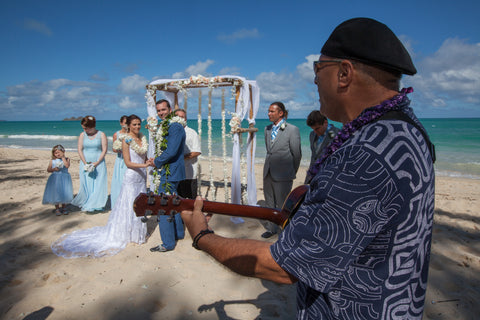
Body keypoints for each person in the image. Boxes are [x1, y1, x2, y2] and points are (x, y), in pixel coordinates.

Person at [180, 17, 435, 319]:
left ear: (344, 73)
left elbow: (281, 266)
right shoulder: (406, 129)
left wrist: (202, 236)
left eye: (318, 69)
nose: (314, 80)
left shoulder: (364, 154)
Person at [52, 114, 155, 258]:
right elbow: (128, 163)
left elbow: (143, 155)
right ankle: (126, 232)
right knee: (130, 203)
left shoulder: (142, 138)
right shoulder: (125, 140)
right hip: (132, 176)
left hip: (142, 177)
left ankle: (137, 232)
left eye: (139, 124)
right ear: (128, 126)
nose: (137, 127)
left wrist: (149, 161)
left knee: (140, 203)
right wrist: (145, 165)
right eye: (134, 124)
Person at [149, 99, 186, 253]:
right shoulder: (166, 125)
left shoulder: (175, 126)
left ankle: (168, 243)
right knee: (173, 201)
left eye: (164, 110)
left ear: (170, 109)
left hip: (170, 172)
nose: (161, 113)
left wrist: (156, 162)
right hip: (169, 171)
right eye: (158, 111)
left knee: (163, 205)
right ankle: (178, 233)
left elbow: (171, 151)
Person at [261, 101, 301, 238]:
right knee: (269, 202)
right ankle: (271, 229)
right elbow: (269, 150)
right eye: (268, 111)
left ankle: (285, 231)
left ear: (281, 113)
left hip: (284, 174)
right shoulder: (267, 129)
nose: (269, 114)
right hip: (268, 172)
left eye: (272, 111)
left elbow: (297, 154)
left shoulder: (292, 129)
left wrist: (291, 172)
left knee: (284, 204)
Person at [71, 115, 108, 212]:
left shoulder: (101, 134)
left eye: (85, 128)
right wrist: (85, 163)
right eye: (83, 128)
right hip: (85, 161)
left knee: (98, 182)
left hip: (98, 162)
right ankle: (87, 200)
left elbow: (104, 150)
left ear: (91, 127)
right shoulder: (82, 135)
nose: (84, 130)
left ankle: (96, 203)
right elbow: (80, 149)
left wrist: (96, 163)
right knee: (86, 182)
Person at [304, 110, 339, 183]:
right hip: (313, 175)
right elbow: (314, 157)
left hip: (329, 177)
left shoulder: (338, 135)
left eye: (317, 128)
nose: (315, 132)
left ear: (325, 122)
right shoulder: (312, 135)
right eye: (313, 129)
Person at [174, 108, 201, 199]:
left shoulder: (192, 133)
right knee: (178, 199)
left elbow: (197, 151)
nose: (180, 119)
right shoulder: (171, 132)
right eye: (177, 117)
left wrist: (180, 158)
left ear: (185, 119)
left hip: (189, 173)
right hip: (175, 173)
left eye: (182, 117)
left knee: (190, 199)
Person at [42, 145, 73, 216]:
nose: (57, 154)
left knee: (64, 192)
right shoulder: (52, 161)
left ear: (63, 152)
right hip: (55, 178)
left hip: (64, 178)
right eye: (56, 153)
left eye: (59, 152)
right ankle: (57, 208)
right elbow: (48, 169)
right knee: (56, 193)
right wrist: (54, 169)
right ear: (53, 154)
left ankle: (64, 207)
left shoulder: (67, 159)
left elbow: (67, 166)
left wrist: (63, 158)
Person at [110, 115, 129, 207]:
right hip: (120, 160)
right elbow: (113, 149)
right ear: (121, 123)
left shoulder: (131, 134)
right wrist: (119, 148)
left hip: (129, 159)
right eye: (125, 123)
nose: (126, 125)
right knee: (119, 181)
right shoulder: (116, 134)